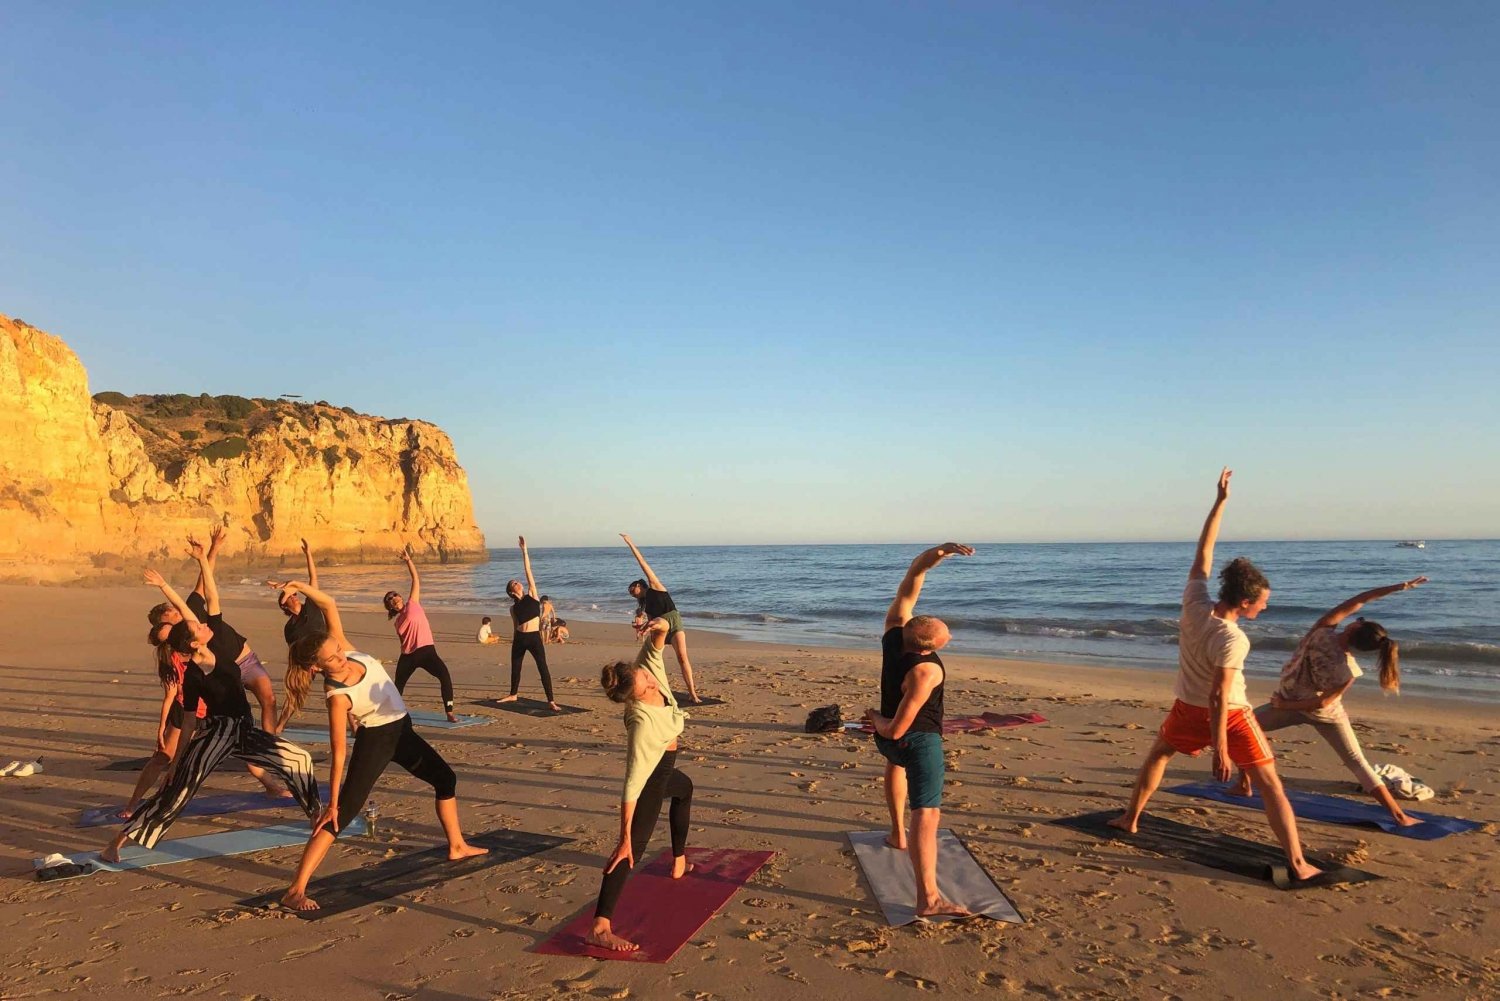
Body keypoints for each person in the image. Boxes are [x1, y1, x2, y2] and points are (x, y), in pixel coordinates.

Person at [1110, 469, 1322, 883]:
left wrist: (1220, 502)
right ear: (1244, 602)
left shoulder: (1193, 604)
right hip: (1229, 716)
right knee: (1271, 785)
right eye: (1262, 603)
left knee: (1158, 755)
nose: (1265, 608)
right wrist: (1220, 749)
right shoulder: (1232, 639)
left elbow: (1203, 553)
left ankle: (1130, 818)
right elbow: (1220, 696)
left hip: (1185, 709)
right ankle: (1298, 864)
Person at [273, 580, 487, 911]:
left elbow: (328, 603)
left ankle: (456, 845)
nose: (341, 657)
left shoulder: (344, 647)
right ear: (317, 667)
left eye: (338, 650)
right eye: (332, 658)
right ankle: (295, 889)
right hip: (375, 740)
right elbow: (339, 751)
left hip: (402, 731)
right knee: (340, 817)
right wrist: (331, 801)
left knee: (446, 779)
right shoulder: (336, 696)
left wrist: (299, 584)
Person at [102, 547, 320, 862]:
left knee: (297, 759)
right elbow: (189, 722)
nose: (202, 623)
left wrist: (190, 569)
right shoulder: (192, 676)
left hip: (243, 729)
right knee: (176, 794)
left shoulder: (214, 637)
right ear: (193, 642)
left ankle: (315, 815)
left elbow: (207, 599)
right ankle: (116, 845)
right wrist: (176, 764)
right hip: (216, 734)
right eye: (196, 627)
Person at [1229, 576, 1430, 826]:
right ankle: (1244, 783)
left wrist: (1399, 587)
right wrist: (1400, 587)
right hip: (1313, 710)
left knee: (1240, 732)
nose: (1355, 619)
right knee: (1356, 763)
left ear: (1354, 628)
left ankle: (1398, 814)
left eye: (1359, 621)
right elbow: (1325, 701)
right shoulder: (1349, 670)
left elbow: (1359, 600)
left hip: (1306, 709)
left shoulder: (1321, 631)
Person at [864, 543, 975, 920]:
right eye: (946, 637)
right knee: (927, 817)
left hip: (892, 747)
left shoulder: (894, 630)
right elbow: (896, 730)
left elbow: (913, 576)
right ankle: (929, 898)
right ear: (929, 647)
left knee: (895, 766)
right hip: (914, 740)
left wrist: (939, 553)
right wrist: (876, 721)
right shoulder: (925, 672)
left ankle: (896, 834)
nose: (952, 639)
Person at [586, 616, 694, 952]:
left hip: (667, 769)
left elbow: (664, 631)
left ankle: (678, 861)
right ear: (637, 695)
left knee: (685, 789)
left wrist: (657, 623)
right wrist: (623, 836)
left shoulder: (644, 667)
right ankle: (601, 926)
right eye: (646, 683)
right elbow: (632, 783)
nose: (651, 679)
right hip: (651, 776)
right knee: (631, 850)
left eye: (647, 675)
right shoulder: (641, 723)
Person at [148, 524, 281, 736]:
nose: (177, 616)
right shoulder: (182, 638)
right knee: (233, 716)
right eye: (171, 617)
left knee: (269, 699)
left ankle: (270, 744)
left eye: (174, 613)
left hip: (243, 658)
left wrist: (212, 550)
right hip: (220, 671)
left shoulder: (193, 613)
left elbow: (206, 588)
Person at [620, 533, 701, 704]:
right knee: (654, 659)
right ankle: (652, 687)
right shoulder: (645, 604)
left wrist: (630, 543)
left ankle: (692, 693)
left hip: (673, 621)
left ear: (638, 585)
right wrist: (640, 630)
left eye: (631, 590)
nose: (630, 593)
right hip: (659, 626)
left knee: (682, 657)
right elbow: (647, 620)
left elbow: (643, 563)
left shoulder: (655, 587)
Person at [383, 548, 458, 723]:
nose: (394, 598)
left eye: (395, 595)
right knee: (398, 685)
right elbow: (403, 642)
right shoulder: (397, 622)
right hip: (408, 656)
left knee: (444, 676)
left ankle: (449, 712)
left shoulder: (413, 603)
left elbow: (415, 579)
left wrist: (408, 560)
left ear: (400, 597)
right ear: (390, 607)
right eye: (390, 599)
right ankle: (392, 713)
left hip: (426, 651)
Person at [495, 537, 560, 711]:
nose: (518, 583)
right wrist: (514, 640)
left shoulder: (532, 595)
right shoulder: (512, 608)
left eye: (518, 581)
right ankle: (513, 694)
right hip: (520, 638)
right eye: (514, 583)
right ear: (511, 591)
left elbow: (528, 570)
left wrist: (524, 551)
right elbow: (515, 625)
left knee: (542, 667)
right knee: (516, 667)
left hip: (534, 638)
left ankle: (551, 700)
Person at [279, 538, 328, 648]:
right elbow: (292, 650)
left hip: (325, 655)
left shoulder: (311, 606)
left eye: (294, 594)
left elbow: (313, 578)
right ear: (284, 606)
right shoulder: (289, 627)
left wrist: (308, 554)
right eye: (289, 596)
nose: (294, 597)